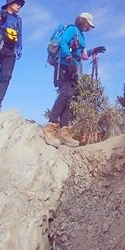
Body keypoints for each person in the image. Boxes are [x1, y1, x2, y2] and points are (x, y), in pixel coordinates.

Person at [43, 12, 106, 148]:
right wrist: (69, 57)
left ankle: (64, 131)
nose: (89, 28)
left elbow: (82, 55)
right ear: (83, 21)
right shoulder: (72, 29)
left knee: (68, 98)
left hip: (73, 69)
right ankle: (50, 127)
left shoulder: (81, 35)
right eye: (88, 24)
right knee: (65, 94)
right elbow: (63, 43)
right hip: (64, 65)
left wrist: (94, 50)